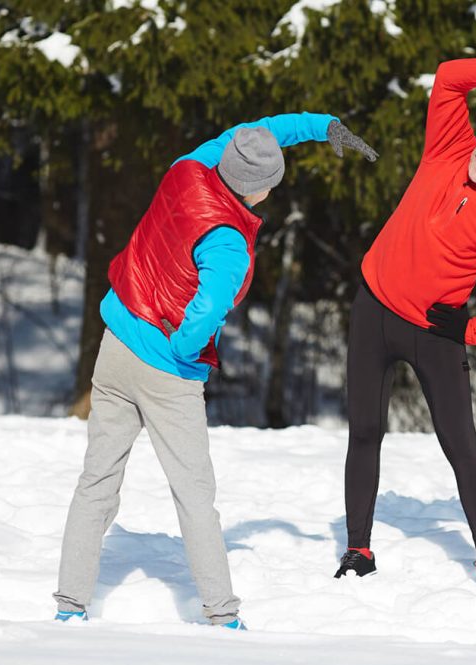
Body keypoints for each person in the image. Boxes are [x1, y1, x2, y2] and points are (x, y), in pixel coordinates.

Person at [54, 113, 377, 628]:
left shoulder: (190, 167)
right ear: (261, 191)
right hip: (166, 371)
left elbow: (252, 132)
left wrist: (322, 126)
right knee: (194, 495)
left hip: (114, 345)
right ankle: (223, 614)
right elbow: (207, 311)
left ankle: (69, 604)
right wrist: (181, 351)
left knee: (97, 480)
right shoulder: (228, 241)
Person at [334, 57, 476, 597]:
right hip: (372, 309)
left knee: (460, 444)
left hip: (435, 333)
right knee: (364, 431)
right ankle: (358, 548)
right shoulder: (450, 147)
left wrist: (472, 331)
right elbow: (450, 76)